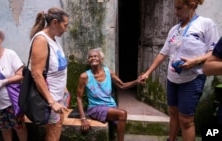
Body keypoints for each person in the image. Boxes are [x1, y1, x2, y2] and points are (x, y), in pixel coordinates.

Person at [138, 0, 219, 141]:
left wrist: (195, 61)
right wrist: (147, 73)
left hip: (192, 79)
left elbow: (214, 53)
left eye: (179, 8)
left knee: (186, 120)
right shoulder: (174, 29)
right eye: (175, 9)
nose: (176, 13)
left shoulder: (206, 24)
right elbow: (163, 53)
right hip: (172, 78)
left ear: (192, 5)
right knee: (173, 113)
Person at [76, 48, 141, 141]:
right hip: (95, 107)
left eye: (96, 56)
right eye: (90, 57)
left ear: (101, 59)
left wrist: (136, 81)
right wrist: (83, 118)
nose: (93, 58)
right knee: (122, 114)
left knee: (119, 122)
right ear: (88, 60)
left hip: (110, 105)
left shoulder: (108, 72)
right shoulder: (84, 76)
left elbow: (122, 85)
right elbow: (79, 98)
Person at [29, 7, 69, 141]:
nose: (66, 29)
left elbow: (55, 69)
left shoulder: (53, 39)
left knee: (56, 127)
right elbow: (36, 74)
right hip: (50, 99)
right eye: (65, 25)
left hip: (59, 95)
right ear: (55, 23)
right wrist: (51, 102)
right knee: (53, 131)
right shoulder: (41, 40)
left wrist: (64, 89)